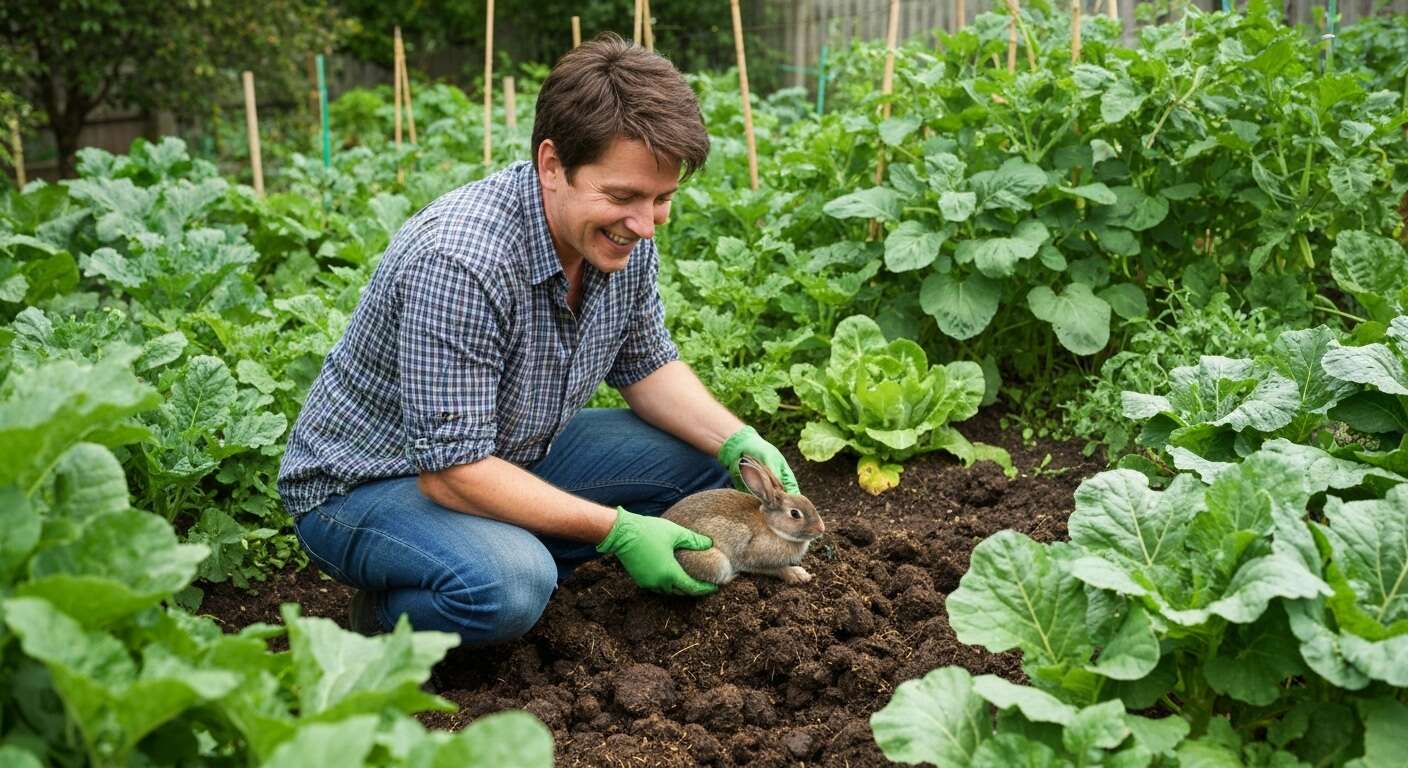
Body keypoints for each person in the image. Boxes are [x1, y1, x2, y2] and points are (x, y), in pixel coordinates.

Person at [276, 34, 800, 646]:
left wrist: (737, 440)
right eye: (624, 196)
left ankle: (531, 548)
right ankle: (384, 619)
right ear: (552, 165)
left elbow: (647, 365)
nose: (644, 223)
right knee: (509, 584)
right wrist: (618, 530)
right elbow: (450, 471)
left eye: (662, 200)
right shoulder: (461, 261)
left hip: (513, 449)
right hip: (373, 486)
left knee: (706, 463)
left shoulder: (619, 240)